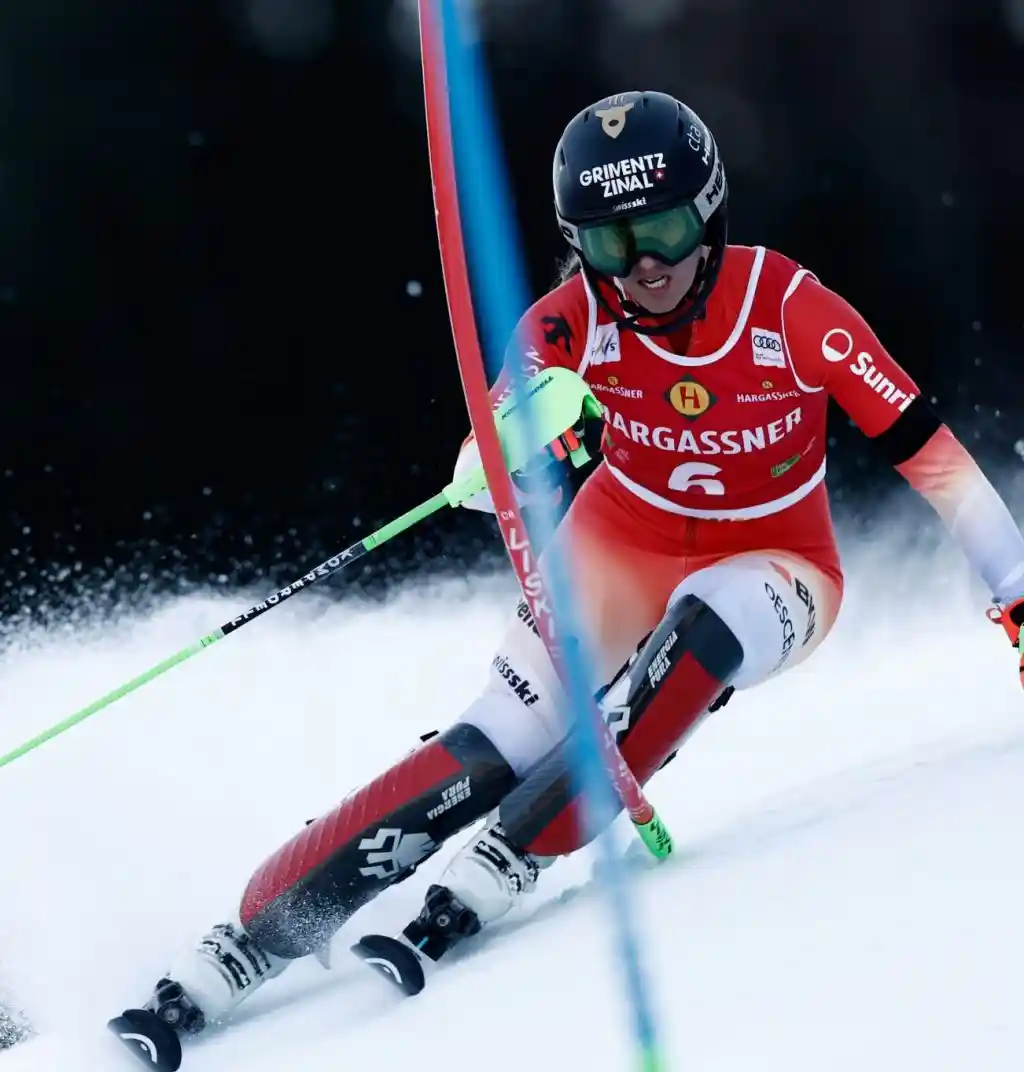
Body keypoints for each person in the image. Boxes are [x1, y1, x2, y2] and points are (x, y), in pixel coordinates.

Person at [110, 90, 1024, 1066]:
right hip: (617, 544)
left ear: (709, 212)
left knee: (707, 627)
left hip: (777, 560)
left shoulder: (792, 308)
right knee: (492, 746)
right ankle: (252, 936)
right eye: (610, 241)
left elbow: (930, 456)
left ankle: (514, 851)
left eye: (664, 231)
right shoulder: (565, 325)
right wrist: (513, 450)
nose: (645, 266)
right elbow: (483, 461)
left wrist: (1012, 588)